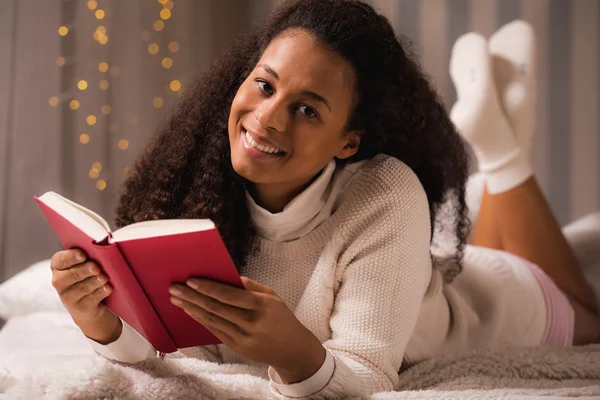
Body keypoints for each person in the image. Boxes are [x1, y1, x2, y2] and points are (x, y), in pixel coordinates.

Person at [48, 1, 600, 398]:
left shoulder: (384, 191)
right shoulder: (197, 183)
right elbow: (176, 355)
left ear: (348, 141)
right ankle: (499, 141)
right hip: (430, 271)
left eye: (307, 109)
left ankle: (501, 151)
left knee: (590, 314)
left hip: (496, 307)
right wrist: (102, 325)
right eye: (265, 85)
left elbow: (366, 375)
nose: (266, 118)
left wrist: (293, 349)